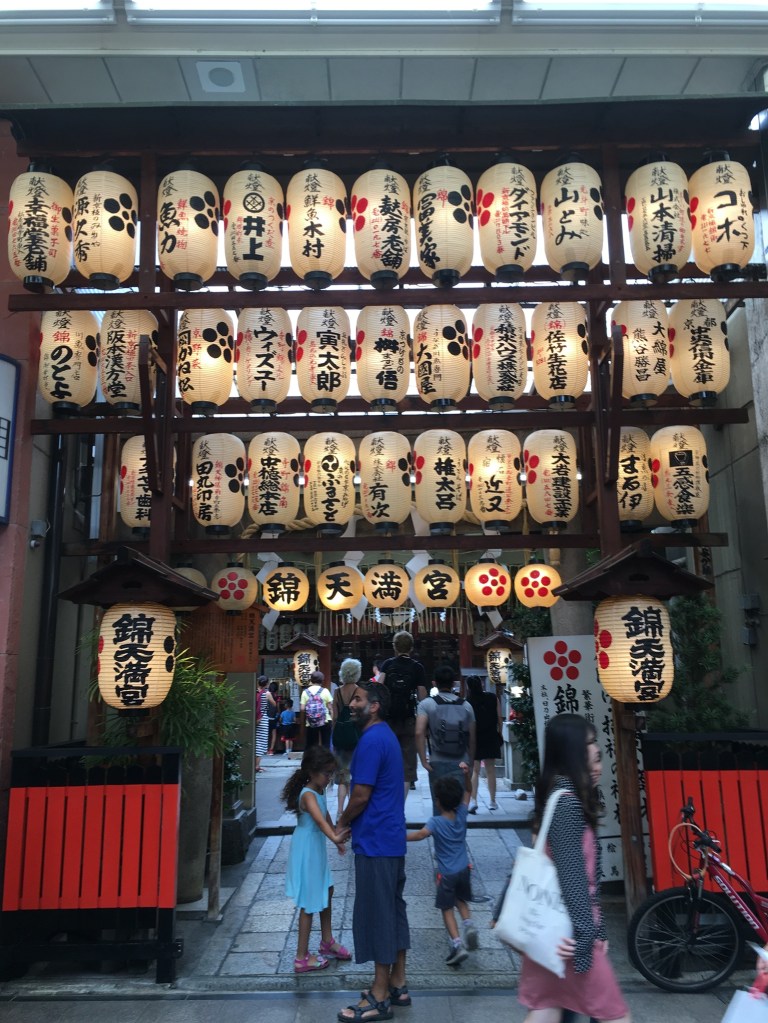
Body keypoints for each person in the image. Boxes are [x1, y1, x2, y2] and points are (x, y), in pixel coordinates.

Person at [517, 713, 630, 1023]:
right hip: (570, 935)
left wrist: (598, 929)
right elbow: (573, 878)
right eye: (589, 743)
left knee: (547, 1007)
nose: (597, 752)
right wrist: (586, 935)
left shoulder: (560, 798)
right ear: (571, 751)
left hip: (557, 932)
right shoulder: (567, 804)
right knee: (614, 1014)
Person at [336, 682, 410, 1022]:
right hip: (390, 836)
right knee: (393, 909)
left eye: (358, 699)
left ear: (375, 705)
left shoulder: (370, 740)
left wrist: (342, 821)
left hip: (377, 839)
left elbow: (361, 795)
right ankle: (397, 983)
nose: (352, 704)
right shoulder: (386, 736)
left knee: (379, 913)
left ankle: (379, 996)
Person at [282, 745, 351, 973]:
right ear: (312, 771)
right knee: (309, 902)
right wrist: (335, 837)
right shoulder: (308, 794)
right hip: (307, 850)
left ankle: (327, 941)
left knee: (327, 889)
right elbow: (319, 821)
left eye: (331, 773)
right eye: (326, 773)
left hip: (315, 848)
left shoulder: (318, 791)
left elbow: (326, 815)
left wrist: (336, 837)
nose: (329, 777)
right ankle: (301, 957)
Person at [407, 763, 478, 967]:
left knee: (446, 908)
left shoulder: (435, 822)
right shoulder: (462, 813)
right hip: (464, 869)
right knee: (461, 900)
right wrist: (466, 776)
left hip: (447, 874)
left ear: (438, 801)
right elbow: (469, 791)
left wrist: (399, 837)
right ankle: (469, 925)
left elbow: (420, 835)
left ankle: (457, 944)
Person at [415, 664, 476, 816]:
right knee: (459, 807)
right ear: (453, 683)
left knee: (439, 806)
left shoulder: (426, 704)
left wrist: (423, 761)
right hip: (461, 761)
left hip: (437, 760)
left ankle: (440, 829)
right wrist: (470, 762)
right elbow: (472, 737)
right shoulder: (466, 706)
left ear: (434, 683)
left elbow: (419, 732)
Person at [377, 631, 428, 801]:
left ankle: (388, 797)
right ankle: (401, 802)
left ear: (395, 647)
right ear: (411, 648)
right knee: (407, 762)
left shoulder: (387, 664)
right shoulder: (417, 667)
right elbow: (422, 696)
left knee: (388, 758)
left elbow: (379, 688)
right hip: (409, 718)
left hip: (389, 719)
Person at [465, 675, 503, 813]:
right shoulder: (493, 697)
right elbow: (499, 718)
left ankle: (473, 800)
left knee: (475, 770)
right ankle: (492, 801)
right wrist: (500, 733)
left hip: (475, 738)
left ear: (468, 687)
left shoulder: (467, 702)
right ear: (481, 684)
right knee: (490, 770)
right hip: (491, 735)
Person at [332, 657, 362, 820]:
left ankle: (339, 812)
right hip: (356, 736)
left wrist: (335, 733)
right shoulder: (360, 691)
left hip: (341, 737)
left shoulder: (337, 692)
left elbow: (335, 717)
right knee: (355, 775)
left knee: (342, 776)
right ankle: (353, 812)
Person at [301, 669, 333, 748]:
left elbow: (302, 708)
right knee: (326, 743)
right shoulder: (325, 691)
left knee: (311, 745)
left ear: (311, 680)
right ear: (322, 680)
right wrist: (332, 719)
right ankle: (325, 756)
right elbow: (330, 707)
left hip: (310, 722)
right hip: (325, 720)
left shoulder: (305, 692)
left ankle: (313, 756)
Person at [254, 675, 276, 773]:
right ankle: (257, 765)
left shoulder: (254, 692)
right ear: (266, 684)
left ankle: (254, 765)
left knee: (255, 741)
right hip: (262, 719)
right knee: (261, 742)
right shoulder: (267, 693)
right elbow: (274, 704)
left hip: (254, 719)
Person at [267, 681, 280, 755]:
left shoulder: (266, 694)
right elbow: (277, 707)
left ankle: (265, 749)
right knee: (273, 734)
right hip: (273, 717)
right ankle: (271, 750)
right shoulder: (276, 696)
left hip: (266, 717)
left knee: (266, 733)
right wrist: (278, 713)